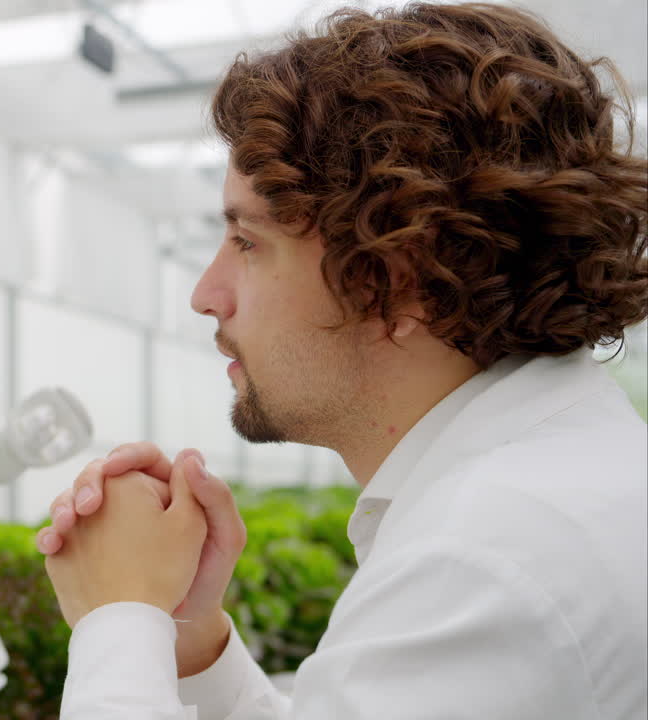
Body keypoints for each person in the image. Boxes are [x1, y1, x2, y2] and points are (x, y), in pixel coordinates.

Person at [37, 3, 648, 718]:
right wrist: (187, 639)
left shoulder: (485, 563)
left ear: (396, 281)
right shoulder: (541, 489)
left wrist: (121, 620)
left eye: (247, 242)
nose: (206, 296)